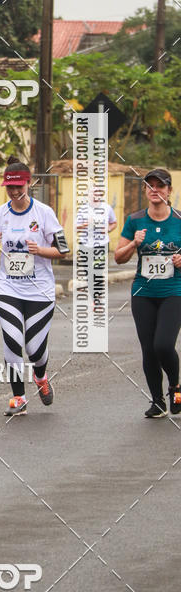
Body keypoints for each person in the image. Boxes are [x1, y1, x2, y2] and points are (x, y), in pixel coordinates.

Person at [0, 156, 70, 416]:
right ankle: (18, 397)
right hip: (8, 288)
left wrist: (40, 250)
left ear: (28, 184)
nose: (15, 191)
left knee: (34, 349)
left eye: (19, 186)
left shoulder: (44, 213)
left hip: (40, 290)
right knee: (12, 341)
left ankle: (40, 377)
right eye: (10, 187)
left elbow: (63, 250)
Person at [114, 168, 181, 418]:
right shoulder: (135, 221)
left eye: (160, 186)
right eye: (150, 186)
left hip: (174, 291)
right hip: (143, 293)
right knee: (148, 349)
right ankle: (158, 401)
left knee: (163, 344)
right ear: (145, 191)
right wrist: (134, 243)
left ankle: (175, 385)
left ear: (169, 190)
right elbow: (118, 258)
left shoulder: (179, 220)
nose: (155, 190)